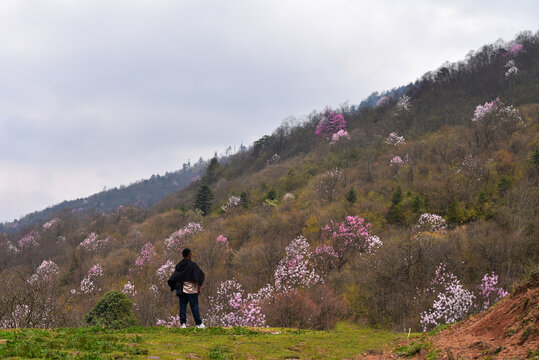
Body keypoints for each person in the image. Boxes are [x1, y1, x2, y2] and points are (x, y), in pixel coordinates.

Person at [167, 248, 206, 328]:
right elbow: (200, 276)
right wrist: (199, 287)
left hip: (181, 289)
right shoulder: (193, 265)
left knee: (182, 306)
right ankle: (199, 324)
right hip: (192, 289)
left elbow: (175, 276)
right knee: (194, 306)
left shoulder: (179, 265)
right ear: (190, 255)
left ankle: (183, 324)